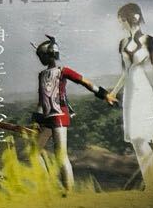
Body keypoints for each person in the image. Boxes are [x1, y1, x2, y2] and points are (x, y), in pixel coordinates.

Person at [32, 35, 117, 192]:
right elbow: (41, 99)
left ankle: (69, 192)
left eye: (41, 55)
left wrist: (105, 95)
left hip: (59, 116)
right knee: (34, 152)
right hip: (46, 118)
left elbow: (86, 83)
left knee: (61, 156)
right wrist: (37, 120)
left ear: (47, 55)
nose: (40, 59)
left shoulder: (64, 71)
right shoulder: (42, 75)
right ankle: (47, 185)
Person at [109, 3, 153, 188]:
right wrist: (113, 92)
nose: (121, 24)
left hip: (143, 90)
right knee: (135, 139)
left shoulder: (149, 40)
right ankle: (151, 186)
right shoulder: (122, 43)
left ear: (131, 17)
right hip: (129, 93)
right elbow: (124, 73)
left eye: (122, 20)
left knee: (142, 138)